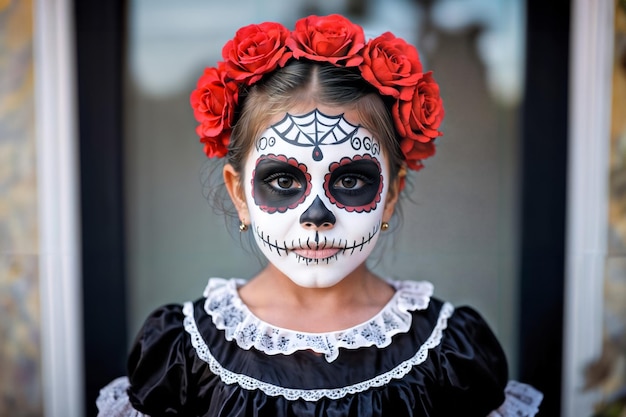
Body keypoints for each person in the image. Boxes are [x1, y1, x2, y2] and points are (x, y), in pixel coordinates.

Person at [97, 14, 543, 417]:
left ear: (391, 194)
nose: (316, 216)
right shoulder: (184, 354)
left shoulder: (449, 354)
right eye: (284, 181)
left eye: (350, 182)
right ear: (239, 194)